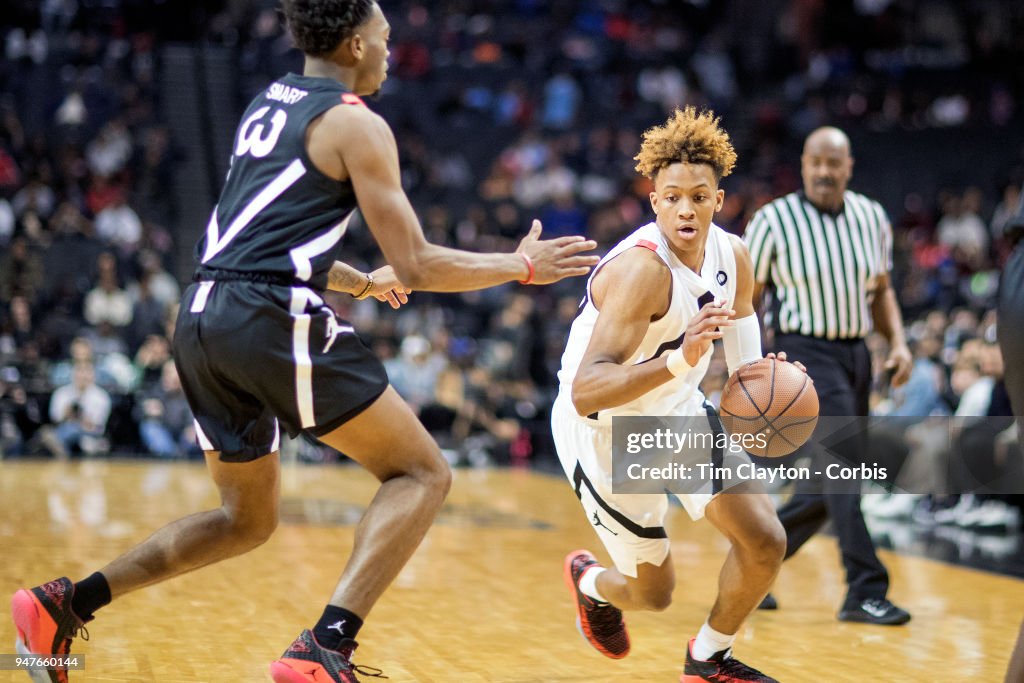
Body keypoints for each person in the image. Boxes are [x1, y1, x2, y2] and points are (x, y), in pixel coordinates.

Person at [10, 2, 599, 682]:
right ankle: (326, 647)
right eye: (383, 38)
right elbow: (416, 263)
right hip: (265, 315)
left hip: (201, 312)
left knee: (244, 519)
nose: (388, 49)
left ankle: (64, 605)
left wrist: (358, 283)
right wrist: (518, 265)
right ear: (353, 44)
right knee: (422, 472)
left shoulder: (272, 102)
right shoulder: (356, 123)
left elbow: (262, 232)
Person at [554, 106, 798, 683]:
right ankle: (590, 584)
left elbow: (742, 358)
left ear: (720, 199)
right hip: (603, 432)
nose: (686, 208)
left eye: (699, 194)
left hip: (677, 414)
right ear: (654, 201)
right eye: (672, 196)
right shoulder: (643, 272)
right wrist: (677, 359)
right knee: (653, 593)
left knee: (764, 540)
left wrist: (764, 385)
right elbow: (589, 391)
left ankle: (708, 658)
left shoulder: (734, 255)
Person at [743, 126, 913, 624]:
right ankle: (864, 588)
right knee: (846, 468)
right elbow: (747, 301)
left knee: (827, 483)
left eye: (833, 163)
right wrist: (745, 366)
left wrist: (897, 343)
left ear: (848, 166)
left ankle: (754, 559)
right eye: (815, 161)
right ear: (802, 163)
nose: (823, 171)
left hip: (856, 354)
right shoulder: (773, 221)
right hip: (802, 355)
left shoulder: (871, 216)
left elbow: (880, 290)